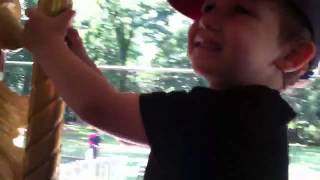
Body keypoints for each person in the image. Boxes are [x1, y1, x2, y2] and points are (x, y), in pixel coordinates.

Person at [20, 0, 320, 179]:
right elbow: (122, 119)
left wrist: (45, 45)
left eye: (240, 10)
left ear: (292, 56)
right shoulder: (252, 116)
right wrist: (76, 60)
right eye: (209, 6)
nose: (208, 18)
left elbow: (102, 108)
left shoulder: (231, 115)